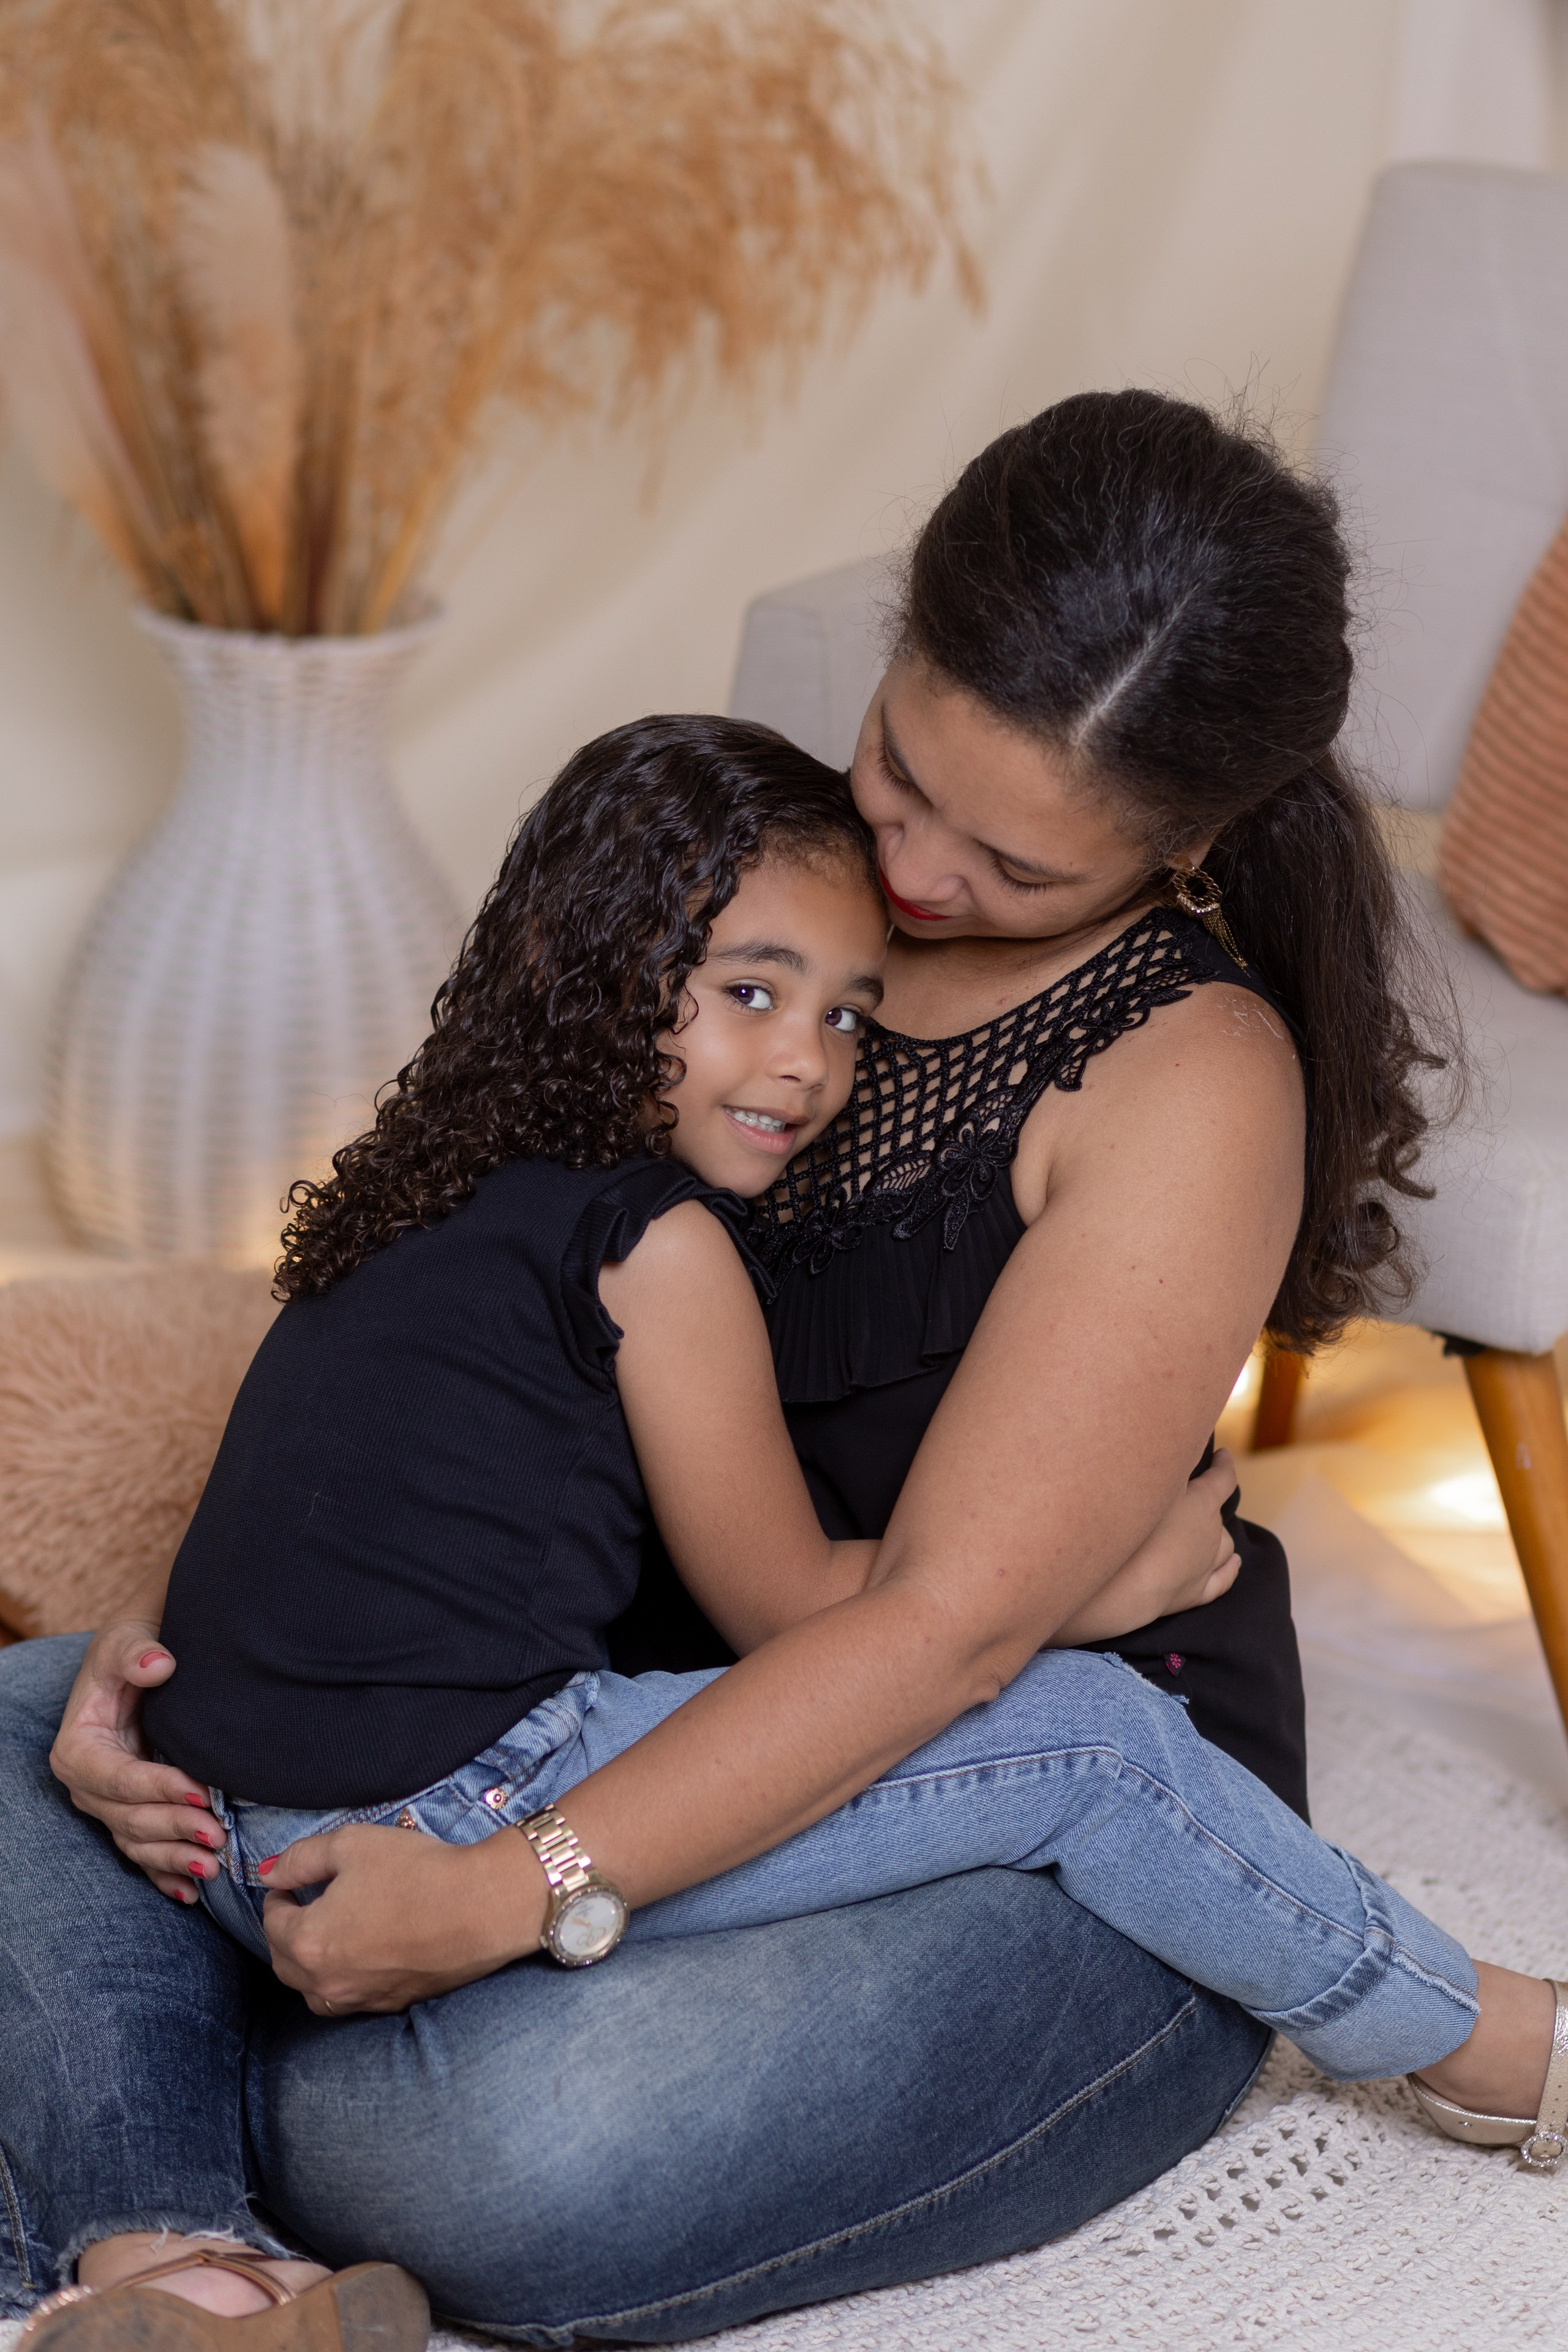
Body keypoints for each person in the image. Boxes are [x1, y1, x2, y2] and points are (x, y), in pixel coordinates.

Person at [2, 393, 1553, 2352]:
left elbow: (942, 1641)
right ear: (903, 638)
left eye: (1009, 864)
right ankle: (185, 2265)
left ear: (1188, 842)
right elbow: (449, 1331)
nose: (906, 872)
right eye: (900, 767)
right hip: (625, 1699)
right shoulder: (767, 886)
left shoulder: (1185, 1084)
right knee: (38, 1717)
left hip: (1027, 1796)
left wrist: (507, 1891)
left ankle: (175, 2112)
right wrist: (181, 1650)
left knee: (481, 2152)